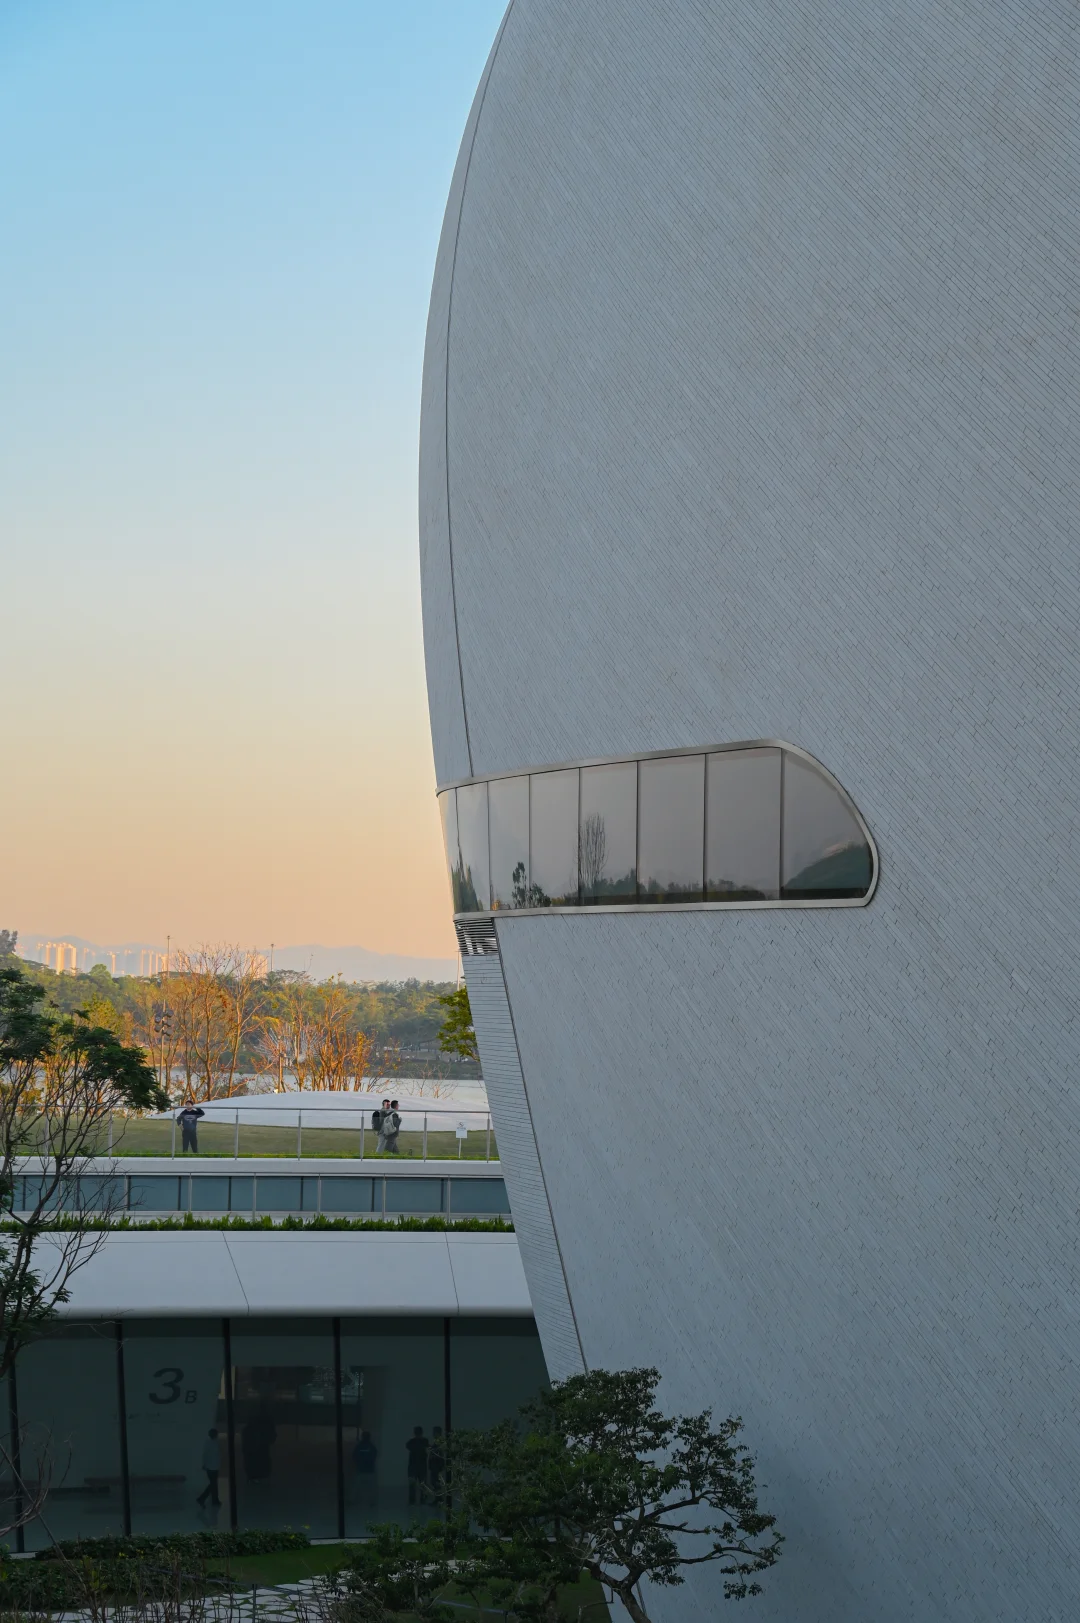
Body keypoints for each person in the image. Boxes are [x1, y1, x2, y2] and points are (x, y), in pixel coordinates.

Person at [241, 1405, 276, 1482]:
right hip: (258, 1449)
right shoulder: (253, 1429)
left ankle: (255, 1476)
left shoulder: (248, 1429)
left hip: (256, 1450)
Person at [352, 1429, 378, 1517]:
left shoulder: (359, 1446)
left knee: (356, 1486)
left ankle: (353, 1500)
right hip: (370, 1469)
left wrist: (358, 1463)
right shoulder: (372, 1447)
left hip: (360, 1469)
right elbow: (374, 1456)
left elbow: (354, 1456)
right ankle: (372, 1502)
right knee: (372, 1487)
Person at [196, 1427, 221, 1508]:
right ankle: (201, 1498)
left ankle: (215, 1500)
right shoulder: (209, 1442)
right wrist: (204, 1464)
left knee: (214, 1484)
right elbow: (205, 1454)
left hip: (214, 1466)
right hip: (211, 1467)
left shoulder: (214, 1442)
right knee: (213, 1484)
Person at [406, 1425, 429, 1505]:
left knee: (412, 1485)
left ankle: (412, 1501)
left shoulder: (411, 1442)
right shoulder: (425, 1441)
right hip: (422, 1466)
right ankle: (422, 1500)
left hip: (413, 1466)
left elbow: (408, 1446)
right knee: (422, 1484)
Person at [428, 1425, 446, 1501]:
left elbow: (440, 1455)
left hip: (437, 1467)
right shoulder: (436, 1443)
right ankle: (438, 1499)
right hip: (434, 1466)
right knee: (434, 1482)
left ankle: (438, 1499)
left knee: (436, 1482)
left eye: (434, 1432)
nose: (433, 1434)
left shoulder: (439, 1443)